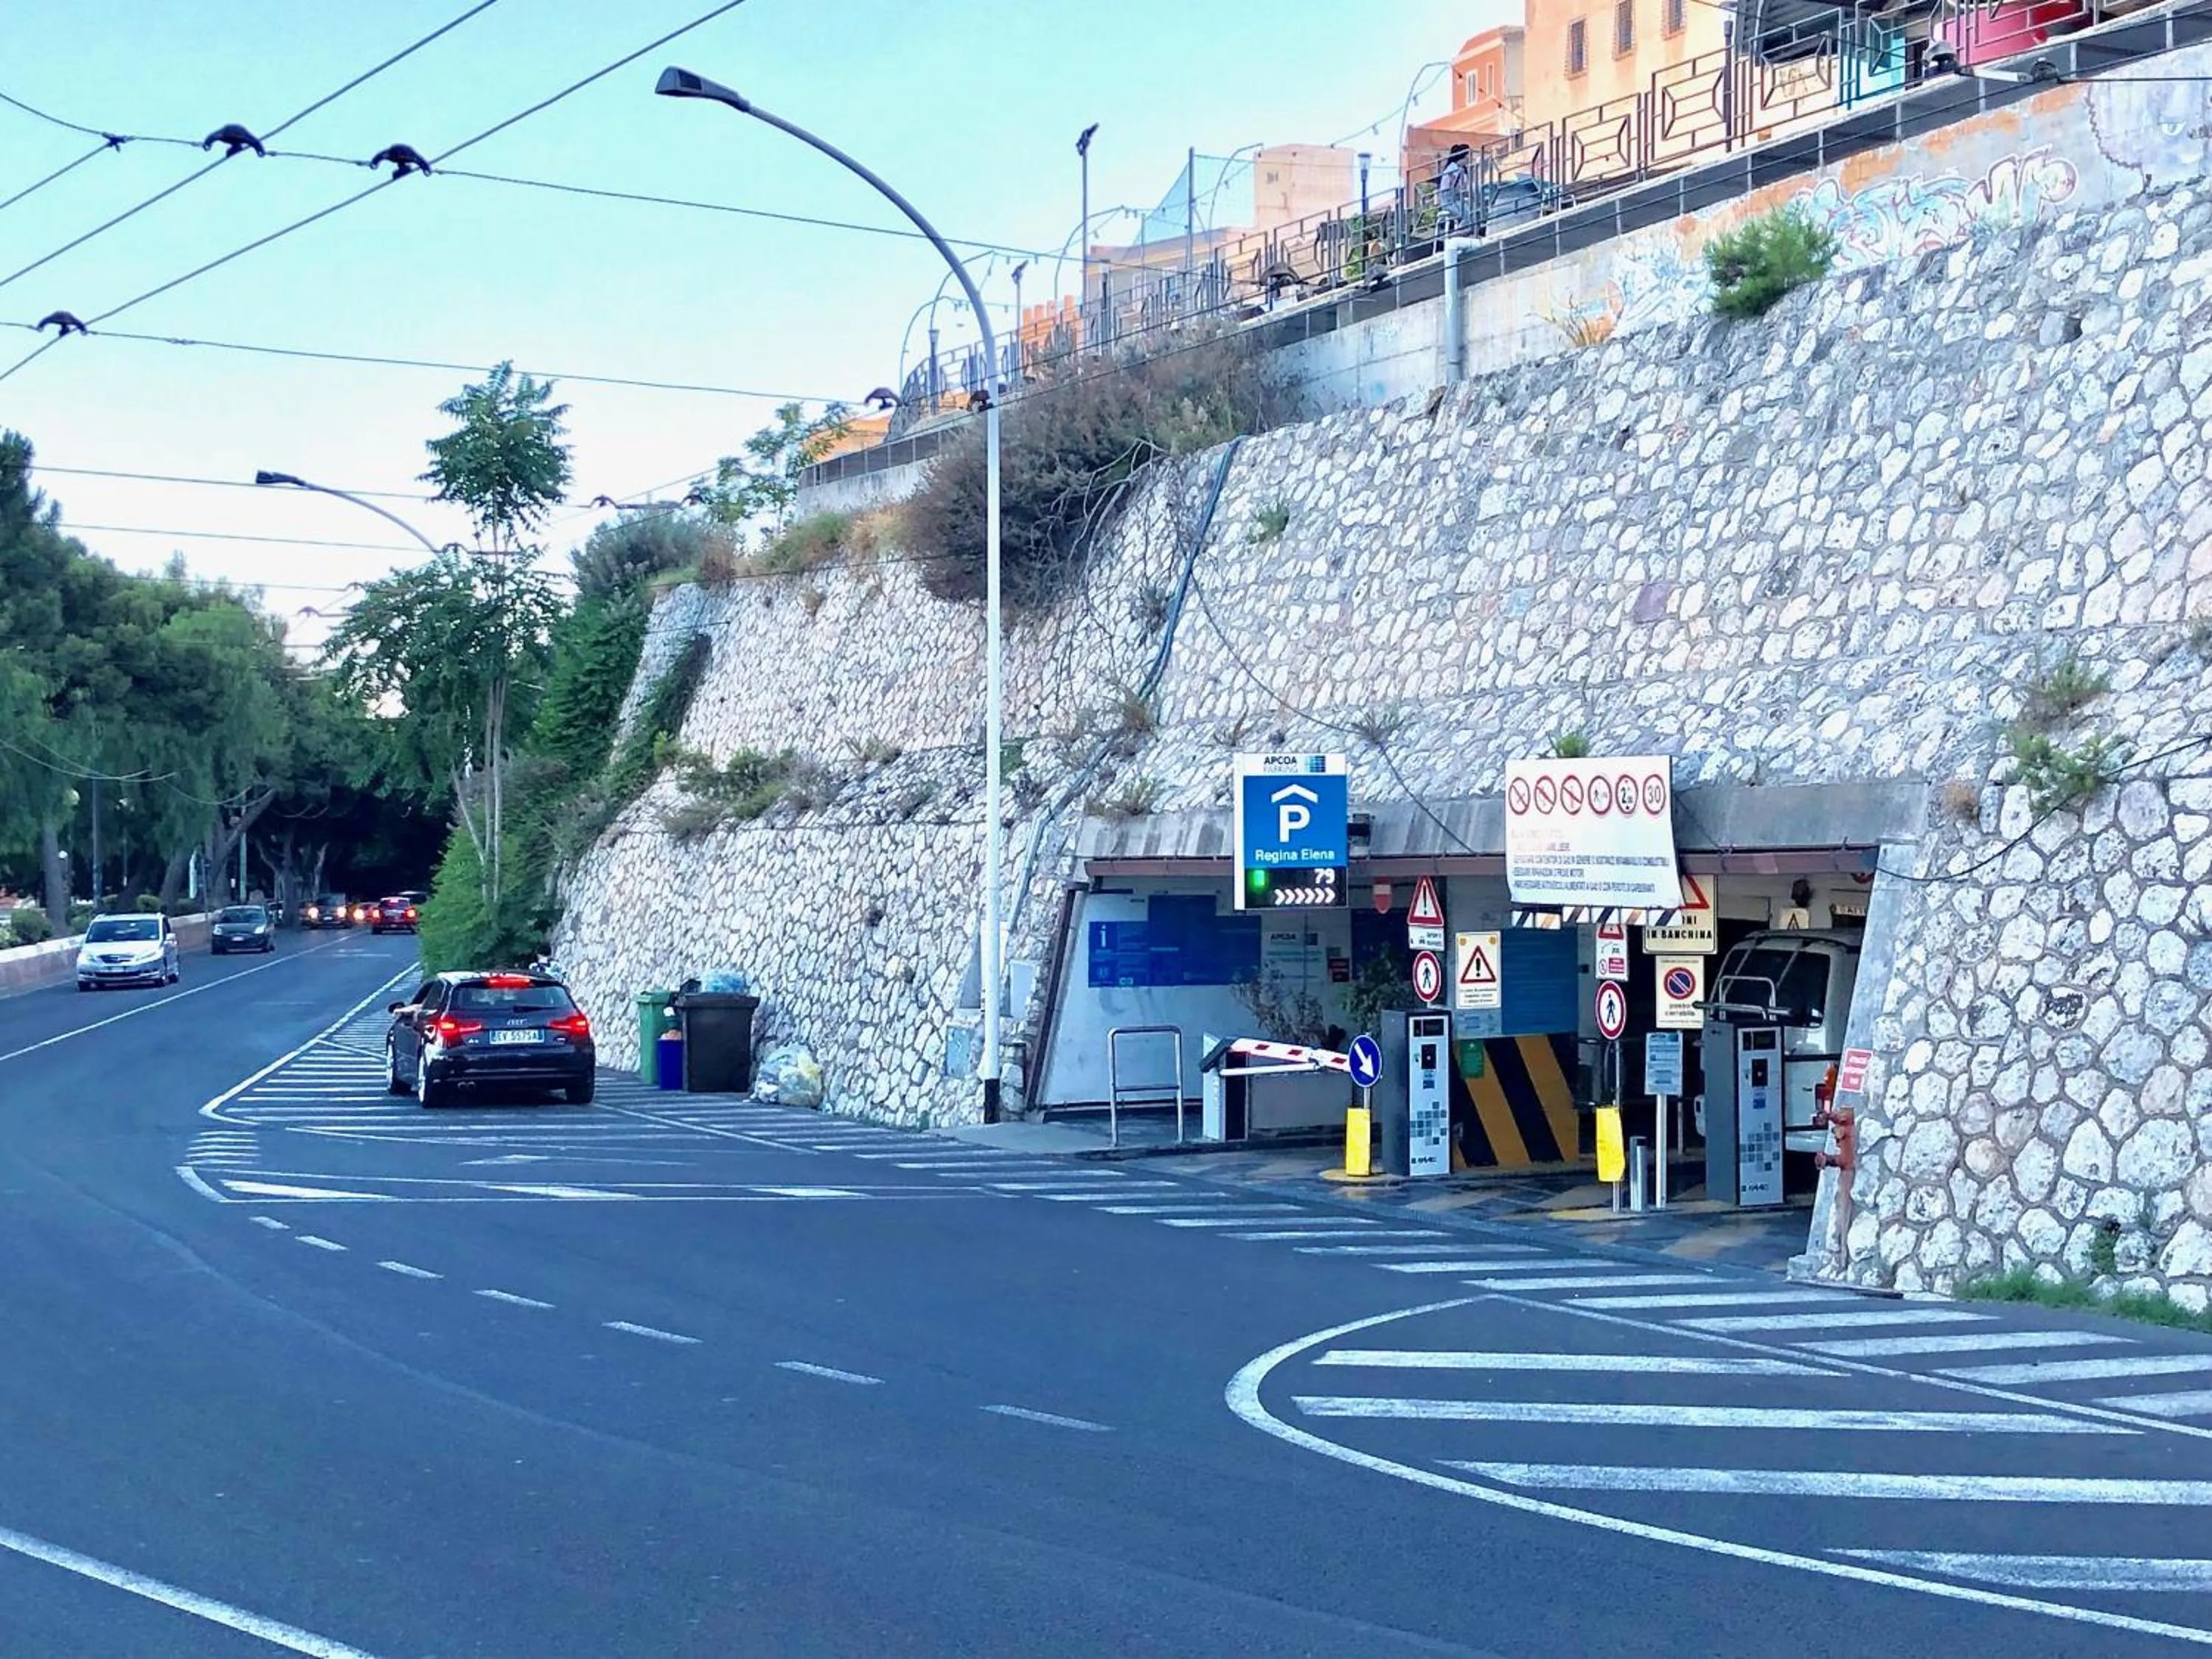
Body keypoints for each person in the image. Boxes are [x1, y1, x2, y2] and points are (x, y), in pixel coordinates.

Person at [1439, 145, 1474, 237]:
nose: (1469, 159)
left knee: (1472, 213)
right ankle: (1455, 236)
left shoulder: (1461, 169)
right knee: (1467, 215)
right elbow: (1455, 186)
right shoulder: (1453, 168)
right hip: (1450, 200)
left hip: (1458, 198)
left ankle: (1462, 234)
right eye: (1468, 156)